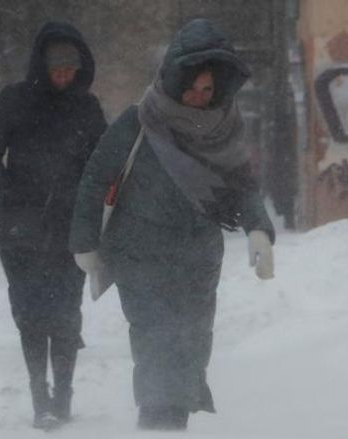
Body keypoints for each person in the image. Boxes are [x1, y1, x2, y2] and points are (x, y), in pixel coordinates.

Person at [69, 18, 275, 431]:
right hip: (139, 249)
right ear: (174, 79)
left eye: (208, 90)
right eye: (191, 87)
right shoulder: (139, 121)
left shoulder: (223, 128)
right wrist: (84, 241)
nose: (198, 97)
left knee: (192, 345)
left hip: (198, 257)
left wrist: (258, 229)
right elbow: (96, 177)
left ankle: (170, 424)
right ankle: (157, 424)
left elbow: (242, 184)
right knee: (155, 340)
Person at [0, 22, 107, 430]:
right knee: (31, 312)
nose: (64, 77)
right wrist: (8, 193)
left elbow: (103, 163)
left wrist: (89, 204)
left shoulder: (87, 108)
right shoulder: (15, 100)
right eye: (57, 69)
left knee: (65, 312)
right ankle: (40, 396)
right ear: (42, 66)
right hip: (21, 229)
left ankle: (63, 394)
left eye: (70, 70)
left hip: (69, 229)